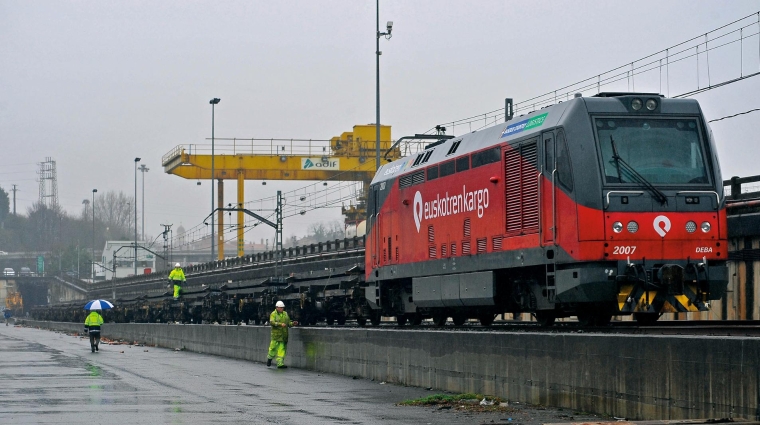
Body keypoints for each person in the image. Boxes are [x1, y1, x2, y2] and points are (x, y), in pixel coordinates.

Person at [266, 301, 297, 369]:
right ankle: (269, 359)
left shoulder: (285, 314)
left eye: (282, 308)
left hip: (283, 336)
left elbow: (288, 323)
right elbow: (272, 322)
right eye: (280, 308)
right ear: (277, 307)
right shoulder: (273, 314)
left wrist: (292, 323)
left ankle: (280, 364)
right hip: (276, 336)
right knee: (272, 349)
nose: (282, 309)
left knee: (282, 350)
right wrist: (280, 324)